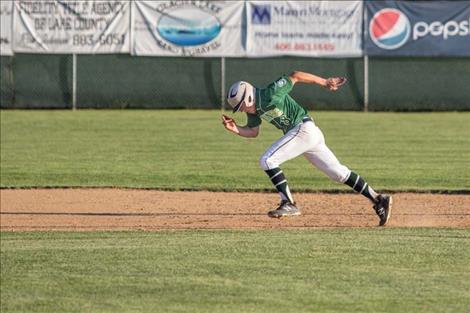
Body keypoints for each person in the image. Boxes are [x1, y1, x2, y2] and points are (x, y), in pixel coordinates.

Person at [221, 71, 392, 226]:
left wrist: (324, 82)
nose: (241, 109)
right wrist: (235, 129)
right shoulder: (253, 111)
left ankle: (289, 203)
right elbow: (253, 132)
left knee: (267, 160)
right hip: (306, 135)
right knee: (339, 173)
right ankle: (378, 198)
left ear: (249, 97)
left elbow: (295, 76)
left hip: (303, 129)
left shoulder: (269, 93)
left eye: (241, 105)